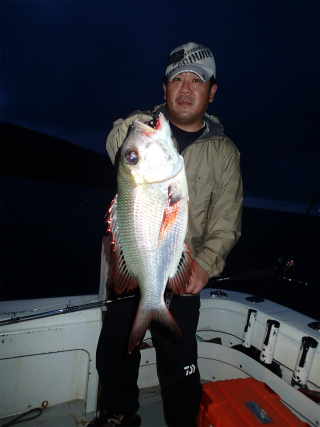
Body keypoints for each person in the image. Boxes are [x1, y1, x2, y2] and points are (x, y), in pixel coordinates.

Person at [90, 42, 243, 427]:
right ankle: (119, 415)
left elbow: (227, 222)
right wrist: (142, 135)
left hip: (182, 273)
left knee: (180, 364)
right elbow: (116, 142)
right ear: (164, 89)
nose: (186, 88)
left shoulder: (224, 153)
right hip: (135, 265)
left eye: (197, 80)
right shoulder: (142, 132)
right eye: (177, 79)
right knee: (114, 353)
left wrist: (205, 266)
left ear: (212, 92)